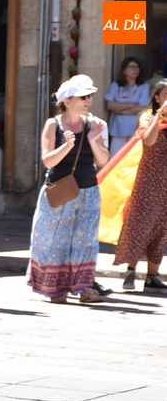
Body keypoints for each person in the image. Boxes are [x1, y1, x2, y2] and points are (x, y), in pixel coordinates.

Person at [29, 75, 109, 303]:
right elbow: (48, 161)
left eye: (90, 96)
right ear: (67, 101)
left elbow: (103, 160)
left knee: (85, 241)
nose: (88, 101)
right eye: (83, 97)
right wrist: (67, 146)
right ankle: (55, 290)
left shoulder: (94, 124)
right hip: (58, 191)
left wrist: (94, 139)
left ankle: (85, 290)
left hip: (89, 191)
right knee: (53, 239)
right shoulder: (52, 124)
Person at [113, 80, 167, 292]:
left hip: (165, 181)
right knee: (140, 224)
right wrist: (160, 115)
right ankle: (130, 270)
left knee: (162, 227)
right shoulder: (147, 117)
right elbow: (149, 140)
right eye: (165, 96)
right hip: (147, 179)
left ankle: (152, 275)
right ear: (156, 98)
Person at [104, 57, 149, 158]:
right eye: (132, 67)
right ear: (124, 70)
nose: (135, 69)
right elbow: (109, 105)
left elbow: (142, 107)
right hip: (118, 128)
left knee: (132, 158)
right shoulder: (115, 85)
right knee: (115, 158)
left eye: (137, 67)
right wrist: (132, 105)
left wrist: (120, 111)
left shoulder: (143, 86)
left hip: (135, 127)